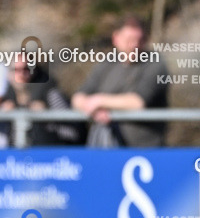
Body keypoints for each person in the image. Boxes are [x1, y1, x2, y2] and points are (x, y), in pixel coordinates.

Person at [71, 16, 169, 147]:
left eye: (140, 40)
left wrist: (100, 101)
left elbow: (137, 102)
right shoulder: (107, 64)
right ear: (116, 38)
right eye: (129, 40)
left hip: (145, 151)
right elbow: (78, 97)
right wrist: (94, 109)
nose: (135, 45)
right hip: (108, 149)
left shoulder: (155, 64)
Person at [0, 56, 85, 146]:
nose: (21, 74)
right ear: (8, 74)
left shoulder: (50, 94)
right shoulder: (6, 99)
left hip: (52, 156)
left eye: (26, 69)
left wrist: (46, 118)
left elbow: (75, 133)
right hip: (16, 158)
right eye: (16, 70)